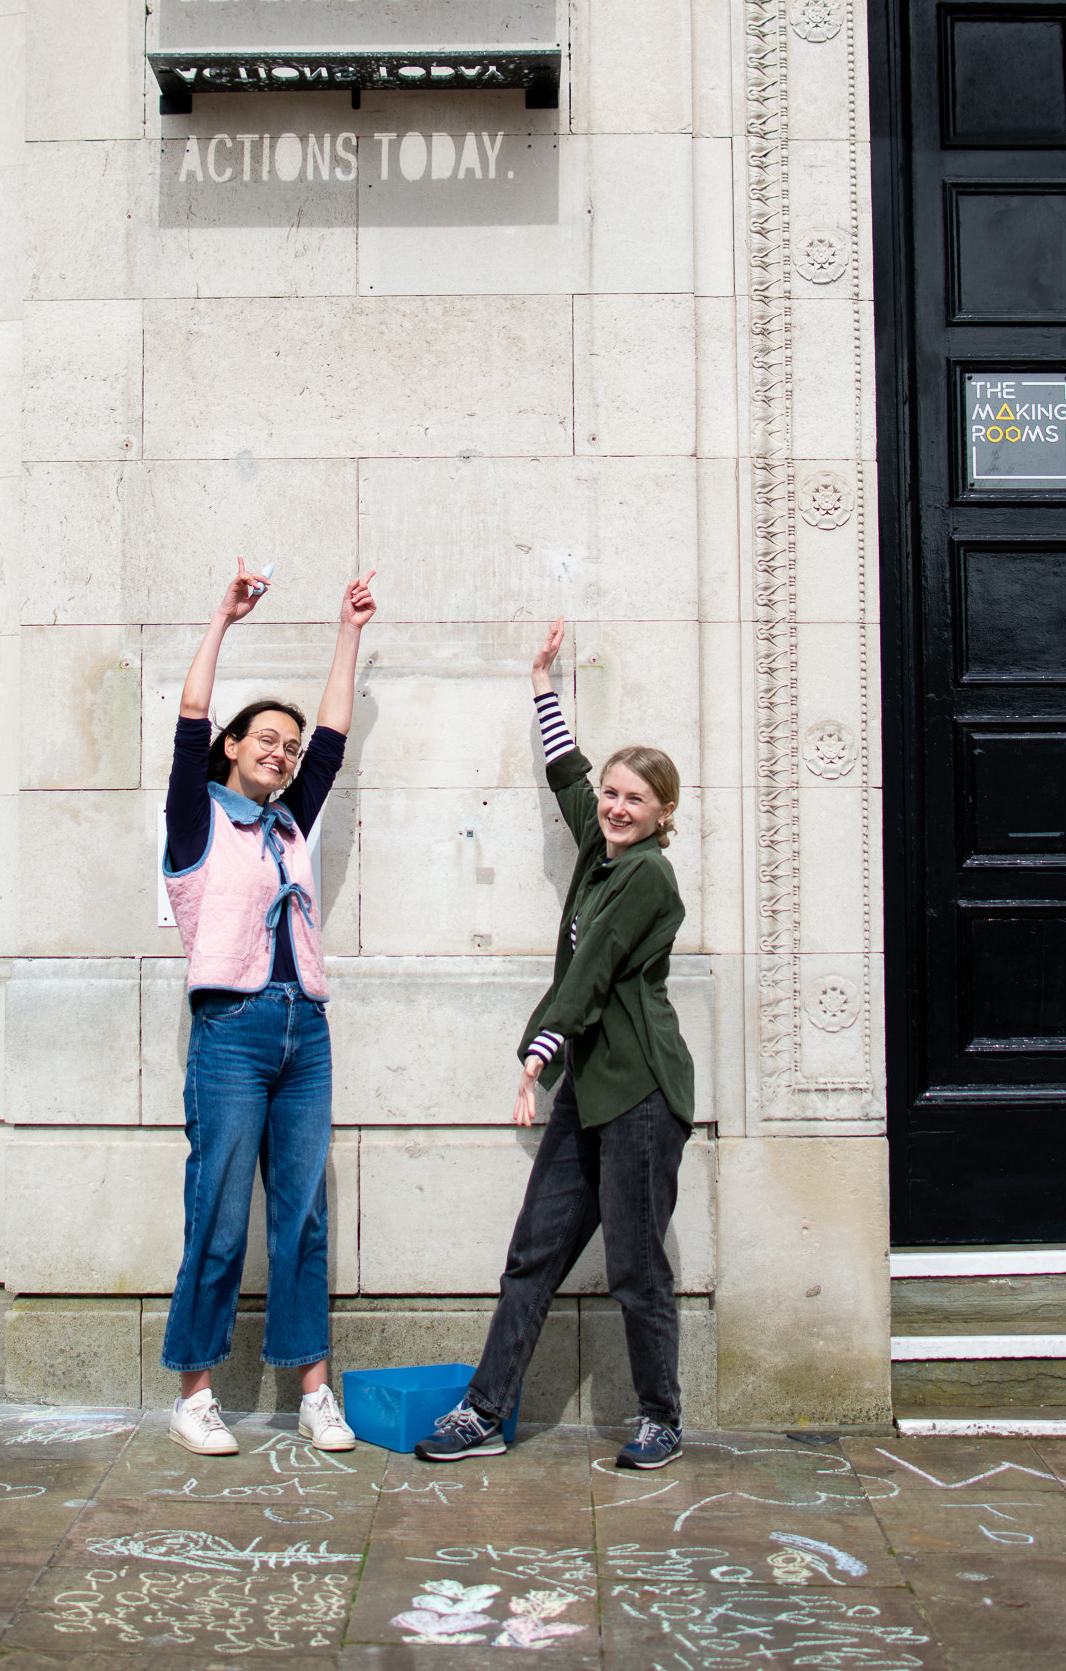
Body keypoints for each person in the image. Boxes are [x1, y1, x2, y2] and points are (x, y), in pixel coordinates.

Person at [415, 616, 695, 1471]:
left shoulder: (644, 876)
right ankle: (483, 1412)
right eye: (612, 795)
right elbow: (566, 774)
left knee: (636, 1267)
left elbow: (592, 975)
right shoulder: (602, 851)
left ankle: (659, 1420)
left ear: (662, 816)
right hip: (591, 1086)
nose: (613, 807)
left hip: (640, 1090)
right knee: (532, 1254)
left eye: (632, 800)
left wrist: (534, 1058)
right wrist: (542, 681)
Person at [161, 556, 376, 1456]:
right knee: (217, 1213)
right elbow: (187, 724)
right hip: (232, 1035)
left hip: (305, 1031)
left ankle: (312, 1392)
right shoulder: (195, 817)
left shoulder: (291, 822)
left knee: (303, 1215)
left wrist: (348, 634)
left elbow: (331, 736)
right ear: (233, 749)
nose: (282, 751)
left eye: (287, 746)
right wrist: (222, 617)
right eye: (265, 739)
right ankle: (196, 1392)